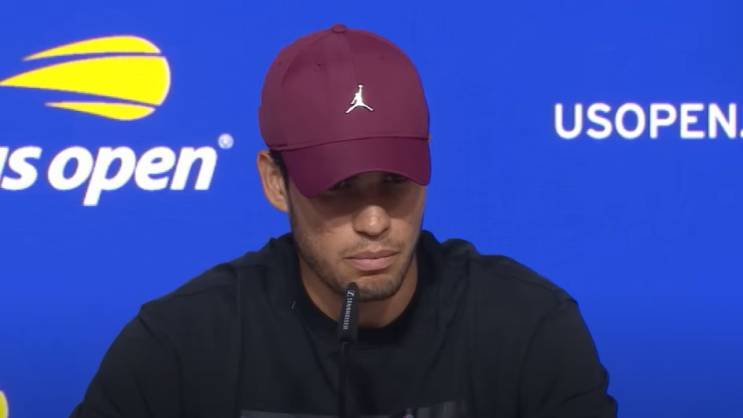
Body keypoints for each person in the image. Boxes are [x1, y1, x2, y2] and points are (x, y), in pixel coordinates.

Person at [70, 24, 617, 418]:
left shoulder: (526, 327)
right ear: (275, 182)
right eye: (339, 188)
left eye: (396, 180)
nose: (375, 222)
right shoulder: (180, 345)